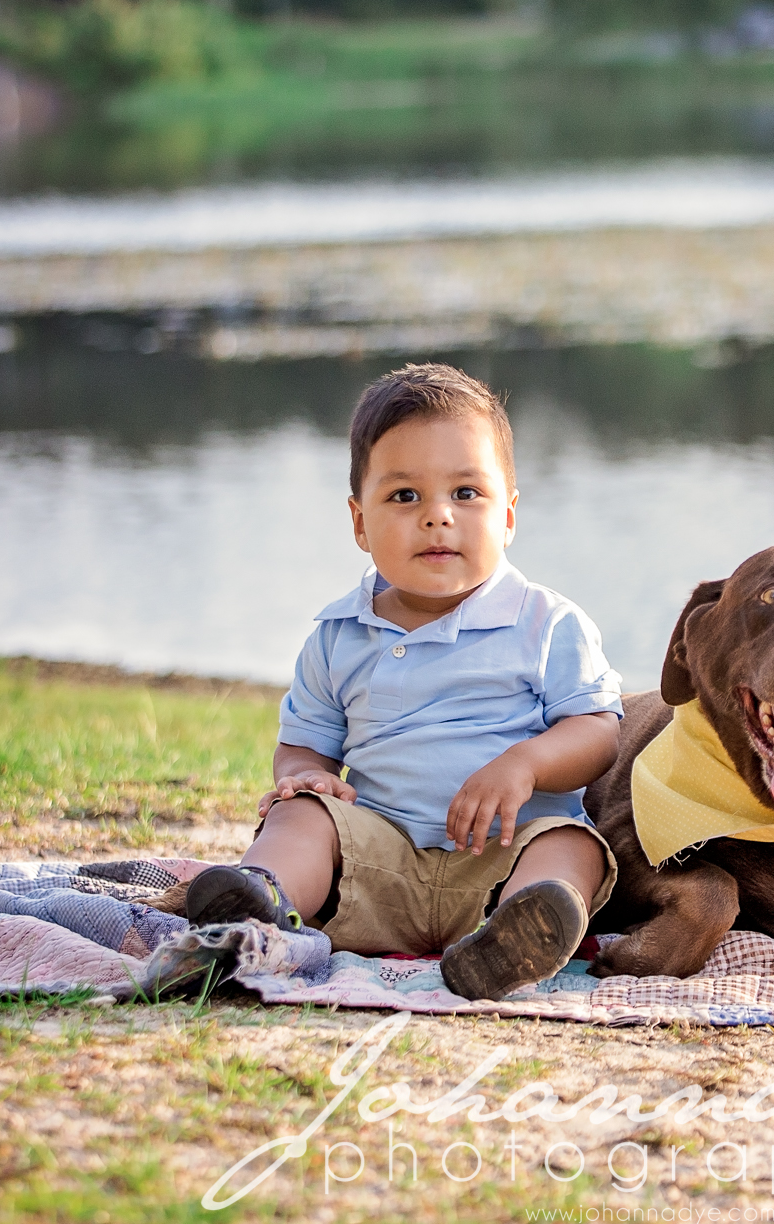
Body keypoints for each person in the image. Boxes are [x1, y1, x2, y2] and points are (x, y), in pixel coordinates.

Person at [182, 363, 624, 1002]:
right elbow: (306, 743)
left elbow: (598, 732)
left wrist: (525, 764)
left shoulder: (548, 624)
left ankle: (517, 941)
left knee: (572, 844)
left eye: (466, 493)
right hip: (375, 865)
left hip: (502, 862)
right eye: (405, 497)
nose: (438, 517)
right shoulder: (338, 636)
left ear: (509, 516)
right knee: (302, 815)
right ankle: (257, 908)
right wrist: (303, 775)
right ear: (359, 522)